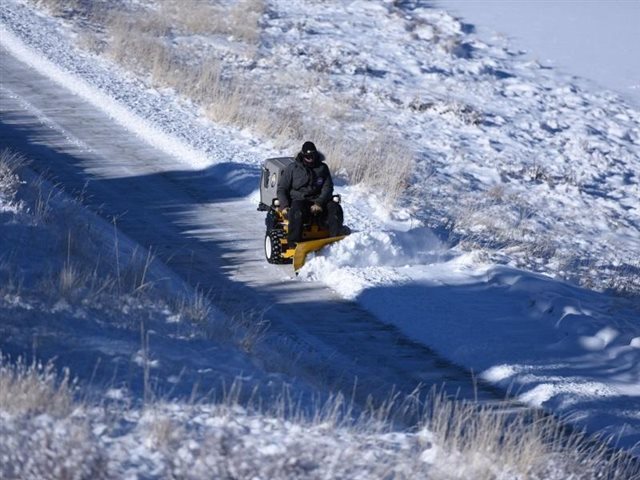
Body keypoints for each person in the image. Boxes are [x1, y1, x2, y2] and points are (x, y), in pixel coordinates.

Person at [277, 141, 344, 246]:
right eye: (307, 156)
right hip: (300, 200)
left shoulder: (322, 168)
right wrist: (284, 205)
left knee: (335, 208)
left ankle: (335, 241)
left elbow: (328, 187)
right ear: (303, 155)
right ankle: (294, 243)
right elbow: (282, 188)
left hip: (319, 201)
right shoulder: (292, 168)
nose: (310, 158)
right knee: (297, 211)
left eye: (312, 155)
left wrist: (319, 202)